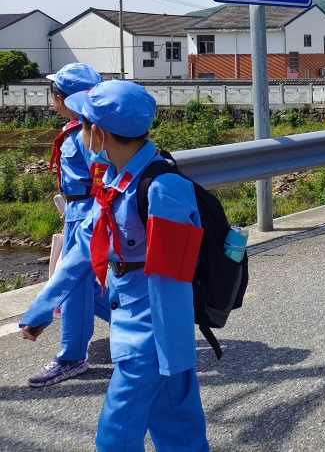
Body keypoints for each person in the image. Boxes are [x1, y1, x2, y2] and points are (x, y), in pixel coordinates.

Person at [20, 81, 211, 450]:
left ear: (100, 134)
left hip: (150, 334)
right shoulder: (116, 179)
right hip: (136, 320)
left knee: (115, 437)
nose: (81, 131)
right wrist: (40, 310)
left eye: (85, 124)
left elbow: (172, 277)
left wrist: (170, 351)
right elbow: (81, 250)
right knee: (178, 429)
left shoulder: (161, 189)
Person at [25, 63, 110, 388]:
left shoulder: (83, 136)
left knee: (74, 284)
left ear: (63, 98)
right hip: (79, 211)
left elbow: (103, 176)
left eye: (54, 93)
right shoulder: (83, 129)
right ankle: (146, 328)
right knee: (85, 283)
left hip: (85, 214)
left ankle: (71, 357)